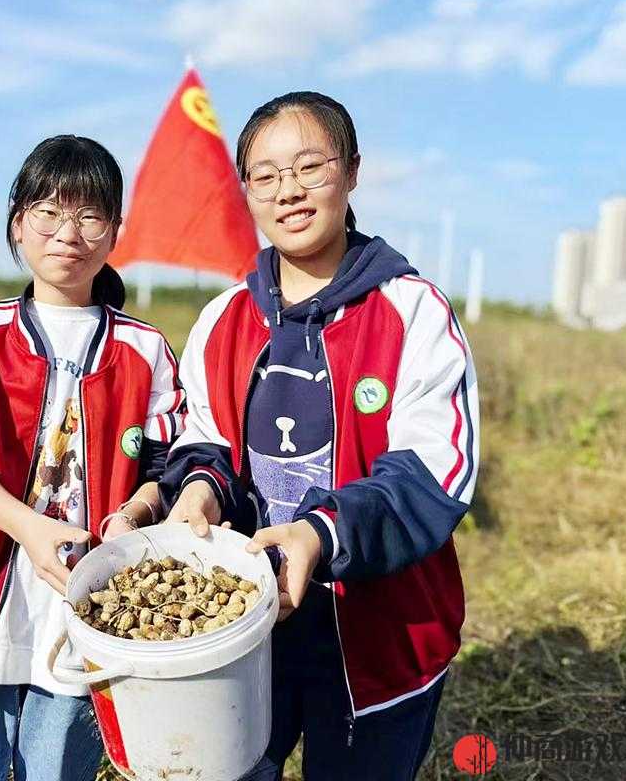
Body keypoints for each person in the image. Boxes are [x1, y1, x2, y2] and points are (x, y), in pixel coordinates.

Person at [160, 92, 480, 781]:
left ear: (353, 172)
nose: (289, 192)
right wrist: (198, 489)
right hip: (242, 628)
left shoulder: (410, 310)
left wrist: (319, 534)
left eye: (311, 167)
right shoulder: (223, 319)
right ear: (246, 189)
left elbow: (433, 471)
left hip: (379, 635)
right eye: (267, 176)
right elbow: (204, 437)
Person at [0, 135, 185, 781]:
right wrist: (28, 526)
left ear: (116, 230)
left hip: (88, 599)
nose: (69, 232)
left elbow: (167, 468)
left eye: (90, 215)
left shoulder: (145, 352)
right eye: (49, 212)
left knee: (58, 765)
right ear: (18, 224)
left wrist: (132, 516)